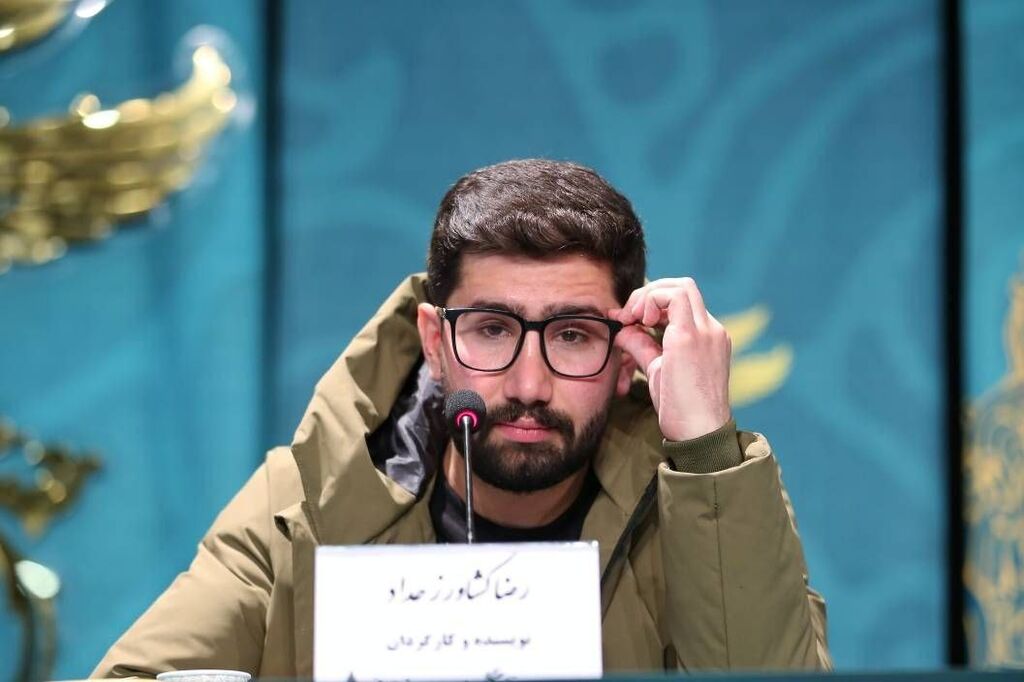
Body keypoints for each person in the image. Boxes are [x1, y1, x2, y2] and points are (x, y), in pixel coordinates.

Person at [93, 159, 831, 677]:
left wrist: (705, 449)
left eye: (574, 335)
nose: (530, 384)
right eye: (492, 330)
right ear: (434, 341)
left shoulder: (697, 509)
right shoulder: (300, 507)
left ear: (626, 355)